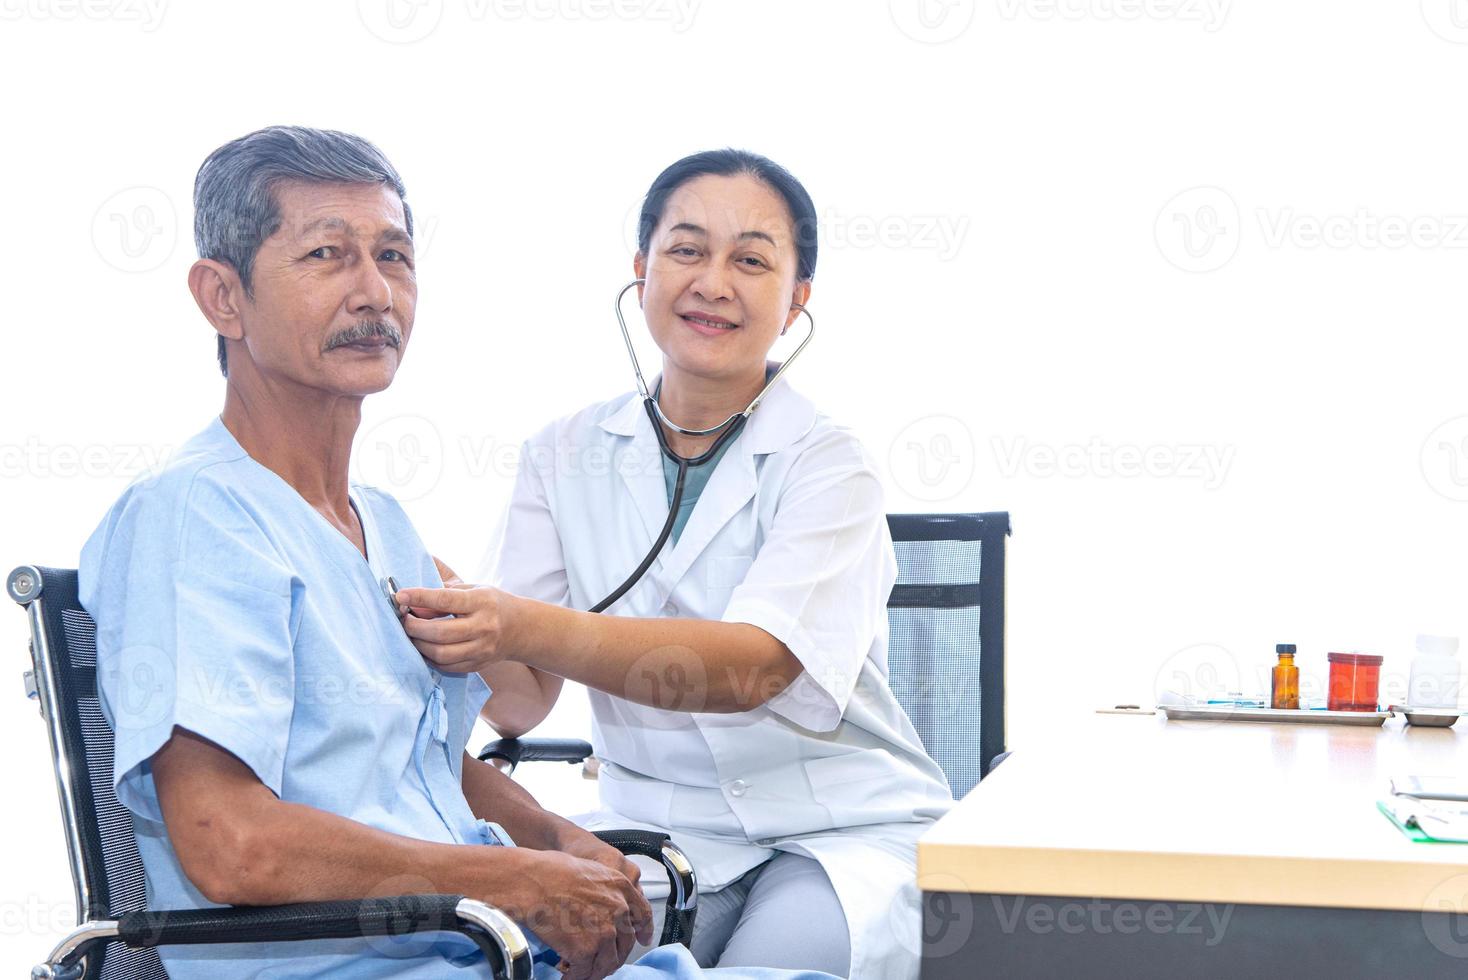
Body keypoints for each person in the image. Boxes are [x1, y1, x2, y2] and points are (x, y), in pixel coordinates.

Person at [79, 126, 837, 980]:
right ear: (223, 297)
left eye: (395, 257)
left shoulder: (384, 524)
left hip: (481, 951)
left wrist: (549, 834)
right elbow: (230, 843)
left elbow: (417, 757)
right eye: (327, 255)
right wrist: (512, 876)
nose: (375, 293)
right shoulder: (194, 515)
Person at [394, 150, 955, 980]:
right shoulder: (564, 453)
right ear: (641, 269)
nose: (714, 282)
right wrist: (427, 588)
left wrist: (514, 620)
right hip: (655, 835)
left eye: (752, 260)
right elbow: (515, 702)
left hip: (835, 831)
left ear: (797, 301)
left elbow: (750, 670)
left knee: (774, 964)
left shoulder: (827, 462)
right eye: (687, 250)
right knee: (518, 958)